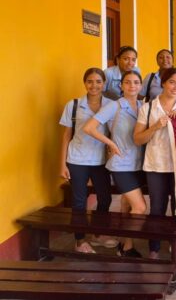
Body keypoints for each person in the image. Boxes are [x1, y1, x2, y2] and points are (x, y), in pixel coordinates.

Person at [83, 70, 146, 258]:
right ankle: (126, 244)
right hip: (121, 164)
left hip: (139, 164)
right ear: (121, 85)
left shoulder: (144, 106)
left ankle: (125, 245)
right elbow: (89, 128)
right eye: (128, 82)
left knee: (127, 205)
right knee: (140, 208)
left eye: (136, 82)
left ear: (141, 86)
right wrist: (110, 143)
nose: (132, 86)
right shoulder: (115, 106)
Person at [134, 68, 176, 259]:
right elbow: (137, 139)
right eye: (172, 82)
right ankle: (154, 248)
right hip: (156, 165)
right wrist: (155, 126)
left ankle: (175, 246)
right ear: (163, 83)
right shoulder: (148, 108)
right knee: (157, 208)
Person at [59, 68, 115, 254]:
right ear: (85, 83)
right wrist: (62, 164)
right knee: (79, 201)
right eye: (90, 81)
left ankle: (98, 235)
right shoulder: (74, 105)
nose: (94, 85)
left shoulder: (110, 105)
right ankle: (79, 241)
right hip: (77, 159)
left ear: (104, 83)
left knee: (105, 198)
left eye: (98, 81)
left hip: (100, 160)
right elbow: (66, 136)